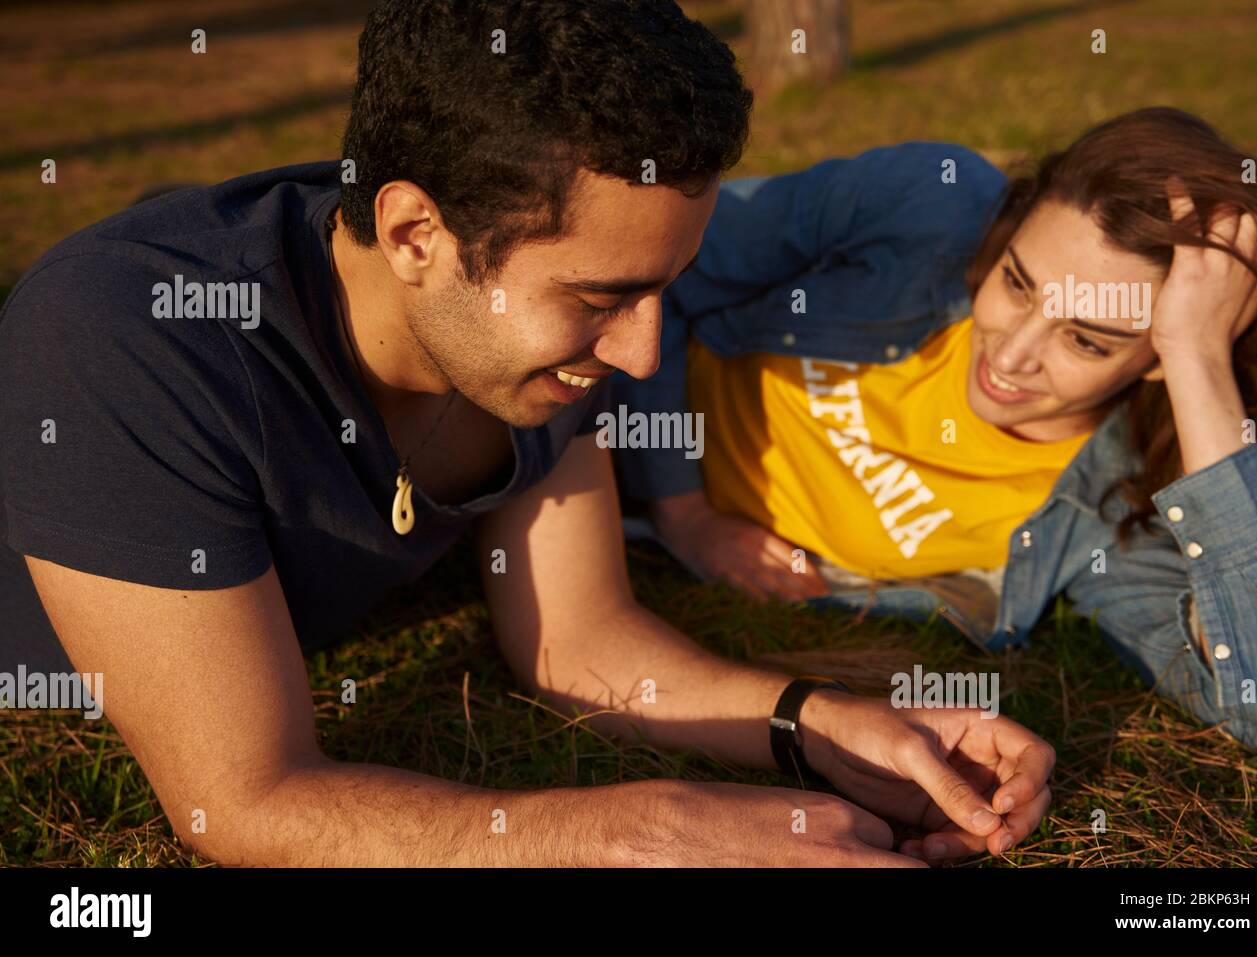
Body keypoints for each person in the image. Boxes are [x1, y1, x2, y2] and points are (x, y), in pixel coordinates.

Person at [0, 0, 1054, 866]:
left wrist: (819, 726)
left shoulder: (522, 343)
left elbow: (579, 639)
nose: (643, 355)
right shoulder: (125, 339)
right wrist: (637, 831)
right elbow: (240, 803)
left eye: (662, 293)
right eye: (603, 297)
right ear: (416, 233)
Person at [614, 107, 1257, 754]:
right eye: (1018, 283)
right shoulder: (924, 209)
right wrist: (685, 510)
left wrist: (1199, 358)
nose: (1011, 354)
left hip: (602, 523)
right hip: (578, 392)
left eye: (1087, 341)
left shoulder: (1102, 517)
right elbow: (651, 263)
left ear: (1158, 358)